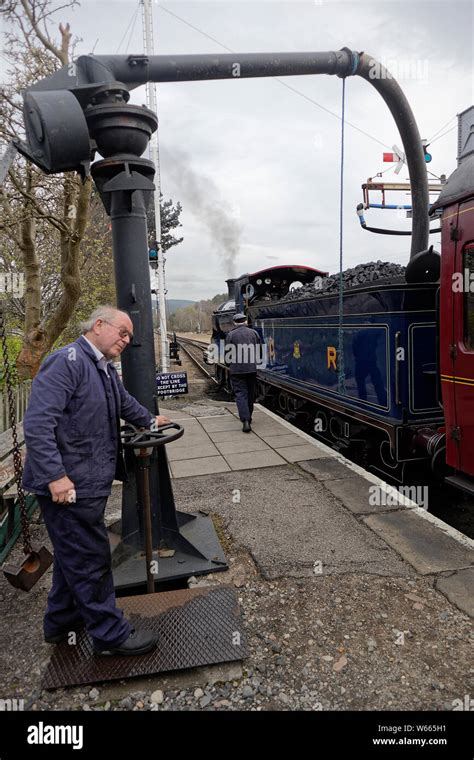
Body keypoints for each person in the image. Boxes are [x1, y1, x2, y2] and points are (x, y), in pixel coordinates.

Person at [22, 306, 171, 656]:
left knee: (73, 554)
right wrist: (56, 476)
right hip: (69, 486)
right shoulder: (67, 362)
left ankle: (60, 621)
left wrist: (150, 421)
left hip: (88, 483)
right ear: (98, 325)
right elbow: (38, 425)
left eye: (130, 337)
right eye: (122, 332)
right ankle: (110, 636)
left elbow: (124, 405)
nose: (126, 340)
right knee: (91, 559)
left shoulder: (102, 369)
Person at [225, 313, 262, 433]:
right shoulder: (254, 333)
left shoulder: (231, 335)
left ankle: (245, 421)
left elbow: (228, 354)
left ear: (235, 322)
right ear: (245, 321)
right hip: (251, 369)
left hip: (236, 370)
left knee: (241, 394)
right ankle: (249, 417)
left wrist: (228, 364)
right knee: (251, 394)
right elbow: (259, 351)